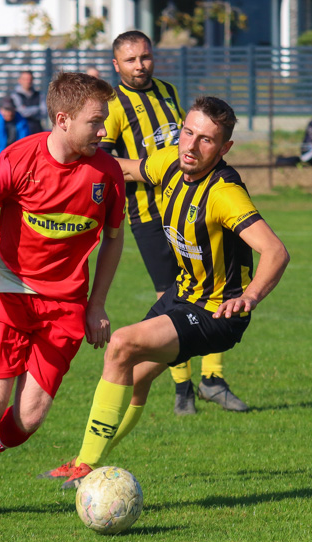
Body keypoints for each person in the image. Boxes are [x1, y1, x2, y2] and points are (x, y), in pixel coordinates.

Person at [40, 96, 290, 488]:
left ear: (224, 149)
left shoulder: (225, 193)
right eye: (188, 132)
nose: (191, 145)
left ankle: (84, 465)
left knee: (120, 344)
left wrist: (250, 297)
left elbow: (275, 251)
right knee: (136, 377)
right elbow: (124, 166)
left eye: (206, 140)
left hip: (216, 314)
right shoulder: (169, 164)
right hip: (182, 296)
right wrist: (72, 150)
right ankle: (86, 463)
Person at [0, 72, 126, 520]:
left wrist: (96, 303)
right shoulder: (19, 160)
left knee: (29, 419)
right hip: (6, 290)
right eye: (96, 121)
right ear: (62, 119)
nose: (104, 131)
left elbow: (114, 239)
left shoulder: (107, 172)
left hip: (65, 304)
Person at [101, 30, 245, 416]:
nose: (139, 65)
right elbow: (107, 164)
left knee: (212, 291)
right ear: (117, 65)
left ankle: (212, 379)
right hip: (149, 217)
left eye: (145, 57)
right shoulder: (113, 105)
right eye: (130, 60)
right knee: (173, 297)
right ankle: (182, 387)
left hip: (193, 208)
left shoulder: (167, 92)